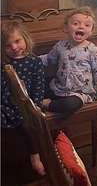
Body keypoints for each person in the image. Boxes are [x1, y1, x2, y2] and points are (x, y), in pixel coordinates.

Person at [41, 7, 97, 115]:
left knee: (70, 105)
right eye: (76, 23)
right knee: (37, 87)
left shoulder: (93, 50)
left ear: (91, 31)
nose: (81, 26)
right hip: (59, 87)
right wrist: (33, 60)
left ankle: (48, 104)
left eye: (87, 25)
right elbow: (49, 59)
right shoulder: (60, 46)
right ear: (66, 28)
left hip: (80, 93)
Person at [1, 21, 46, 176]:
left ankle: (35, 157)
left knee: (27, 124)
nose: (14, 47)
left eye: (17, 41)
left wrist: (36, 104)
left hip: (26, 104)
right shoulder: (4, 63)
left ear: (25, 38)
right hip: (5, 103)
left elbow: (39, 85)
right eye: (8, 45)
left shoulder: (34, 61)